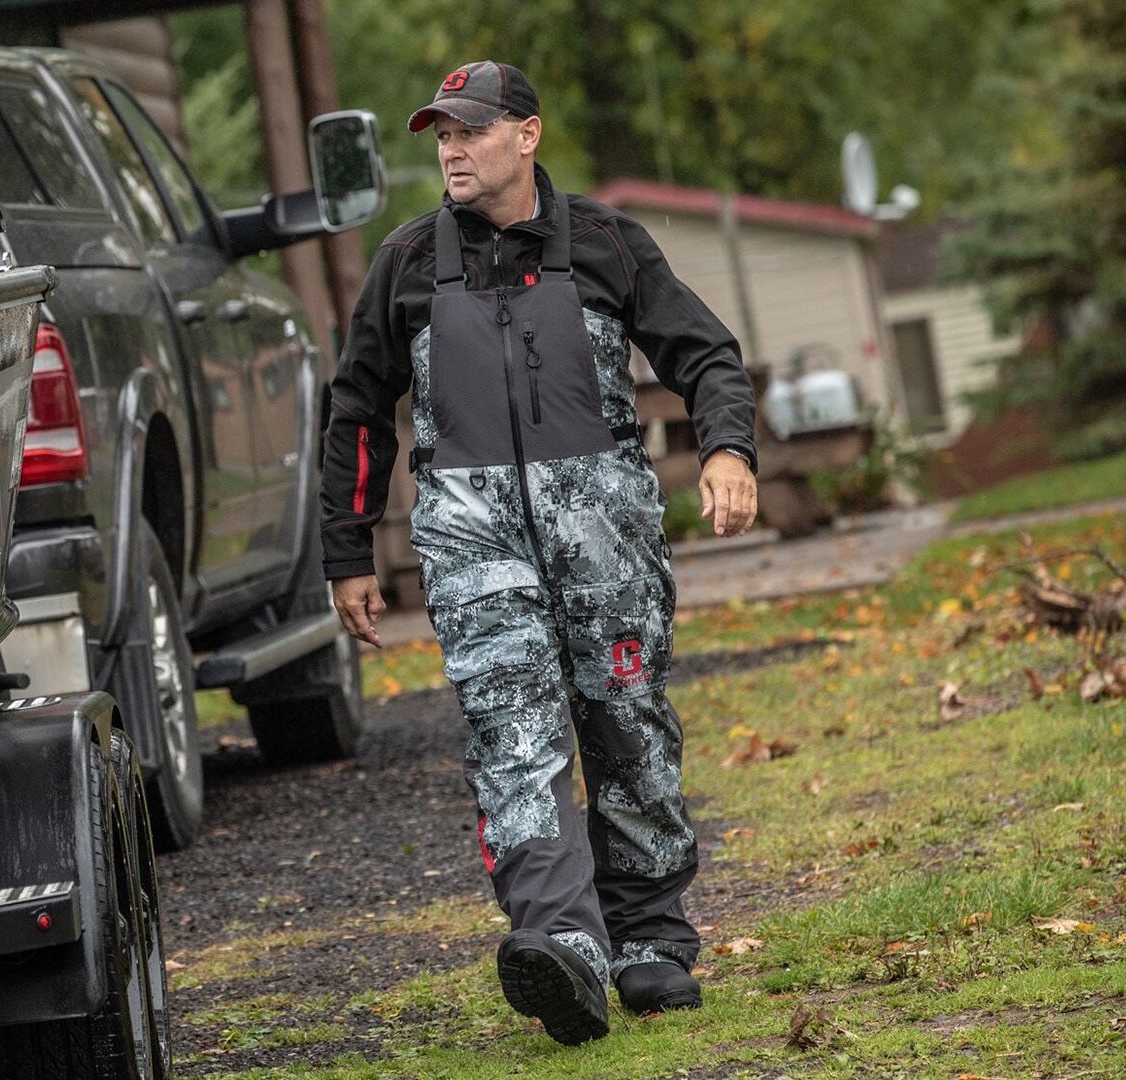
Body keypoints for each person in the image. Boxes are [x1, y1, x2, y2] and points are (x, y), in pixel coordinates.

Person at [319, 61, 759, 1046]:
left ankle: (650, 940)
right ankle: (564, 944)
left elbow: (706, 354)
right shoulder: (406, 263)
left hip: (606, 538)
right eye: (439, 135)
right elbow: (355, 408)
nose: (451, 150)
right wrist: (346, 551)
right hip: (473, 546)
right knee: (515, 740)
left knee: (628, 727)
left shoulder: (605, 242)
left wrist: (727, 448)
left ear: (528, 135)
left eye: (470, 131)